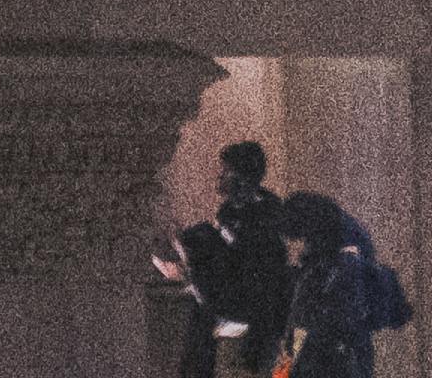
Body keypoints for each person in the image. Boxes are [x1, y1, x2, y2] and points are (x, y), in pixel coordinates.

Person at [159, 140, 294, 378]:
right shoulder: (230, 213)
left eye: (225, 171)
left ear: (242, 178)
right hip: (226, 306)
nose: (219, 177)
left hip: (249, 317)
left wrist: (191, 272)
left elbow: (247, 277)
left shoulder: (264, 221)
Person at [281, 191, 409, 378]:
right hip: (345, 348)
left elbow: (337, 309)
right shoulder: (336, 239)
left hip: (339, 351)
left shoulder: (342, 251)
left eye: (299, 234)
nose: (299, 242)